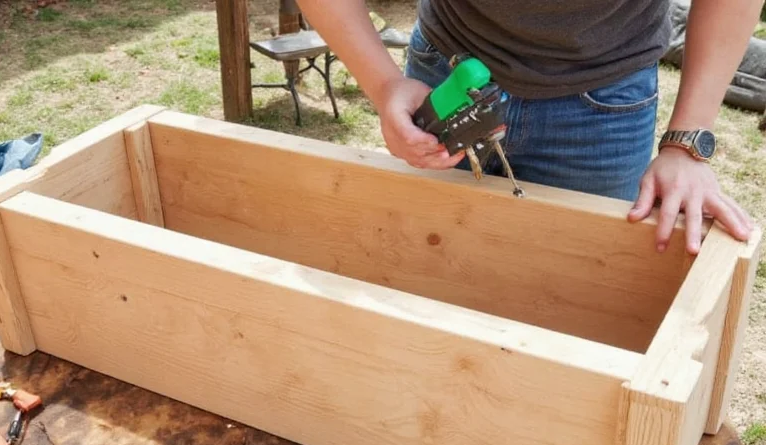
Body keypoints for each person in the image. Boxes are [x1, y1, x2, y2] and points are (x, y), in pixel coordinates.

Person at [294, 0, 758, 254]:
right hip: (448, 73)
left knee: (576, 302)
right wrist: (385, 84)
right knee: (421, 265)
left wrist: (687, 141)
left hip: (604, 98)